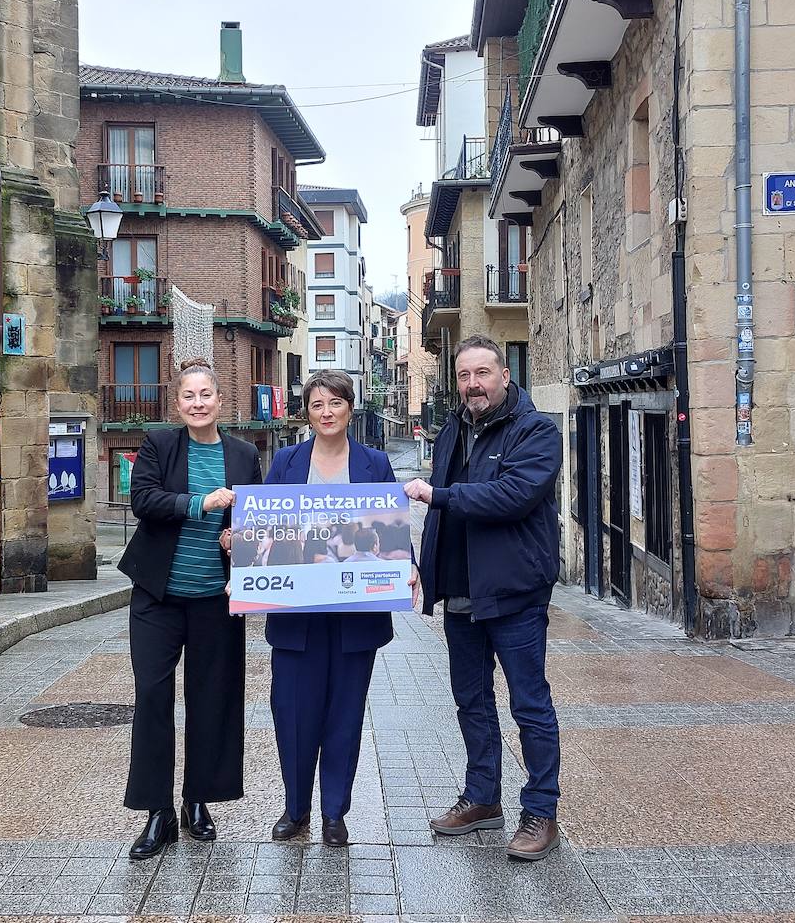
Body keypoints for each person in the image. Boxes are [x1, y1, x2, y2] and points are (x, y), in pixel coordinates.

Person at [403, 334, 564, 862]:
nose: (473, 384)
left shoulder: (537, 431)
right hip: (462, 594)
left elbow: (512, 496)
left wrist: (438, 495)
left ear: (504, 375)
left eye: (483, 373)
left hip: (515, 593)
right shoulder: (453, 428)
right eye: (464, 375)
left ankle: (540, 811)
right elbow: (440, 513)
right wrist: (423, 569)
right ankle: (483, 798)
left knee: (529, 705)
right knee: (471, 701)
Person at [117, 358, 263, 860]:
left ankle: (197, 800)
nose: (198, 403)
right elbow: (144, 501)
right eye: (188, 396)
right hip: (157, 596)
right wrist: (200, 503)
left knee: (212, 699)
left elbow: (255, 522)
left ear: (220, 400)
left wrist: (237, 539)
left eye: (206, 395)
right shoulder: (159, 445)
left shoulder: (244, 454)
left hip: (215, 600)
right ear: (176, 403)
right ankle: (157, 810)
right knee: (152, 697)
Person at [256, 369, 405, 847]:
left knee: (345, 715)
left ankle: (334, 812)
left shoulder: (374, 463)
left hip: (354, 618)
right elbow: (265, 527)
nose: (326, 413)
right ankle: (295, 807)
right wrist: (242, 542)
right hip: (295, 616)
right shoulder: (286, 461)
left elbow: (393, 528)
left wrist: (408, 567)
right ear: (307, 412)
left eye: (335, 403)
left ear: (350, 409)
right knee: (292, 713)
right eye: (317, 404)